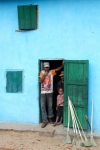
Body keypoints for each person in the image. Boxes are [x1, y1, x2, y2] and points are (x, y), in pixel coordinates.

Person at [39, 61, 64, 128]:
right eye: (45, 67)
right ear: (44, 67)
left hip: (50, 92)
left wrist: (62, 65)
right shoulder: (41, 72)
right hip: (43, 92)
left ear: (49, 67)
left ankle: (50, 118)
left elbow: (57, 69)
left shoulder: (51, 72)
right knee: (43, 106)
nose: (46, 68)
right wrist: (44, 75)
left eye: (47, 67)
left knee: (50, 106)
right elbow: (40, 81)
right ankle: (45, 121)